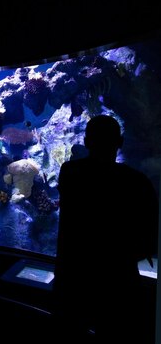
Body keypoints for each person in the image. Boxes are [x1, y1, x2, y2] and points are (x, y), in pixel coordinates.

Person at [54, 114, 158, 343]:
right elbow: (149, 238)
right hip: (118, 280)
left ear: (86, 141)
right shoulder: (138, 181)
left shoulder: (70, 172)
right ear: (120, 143)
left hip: (74, 277)